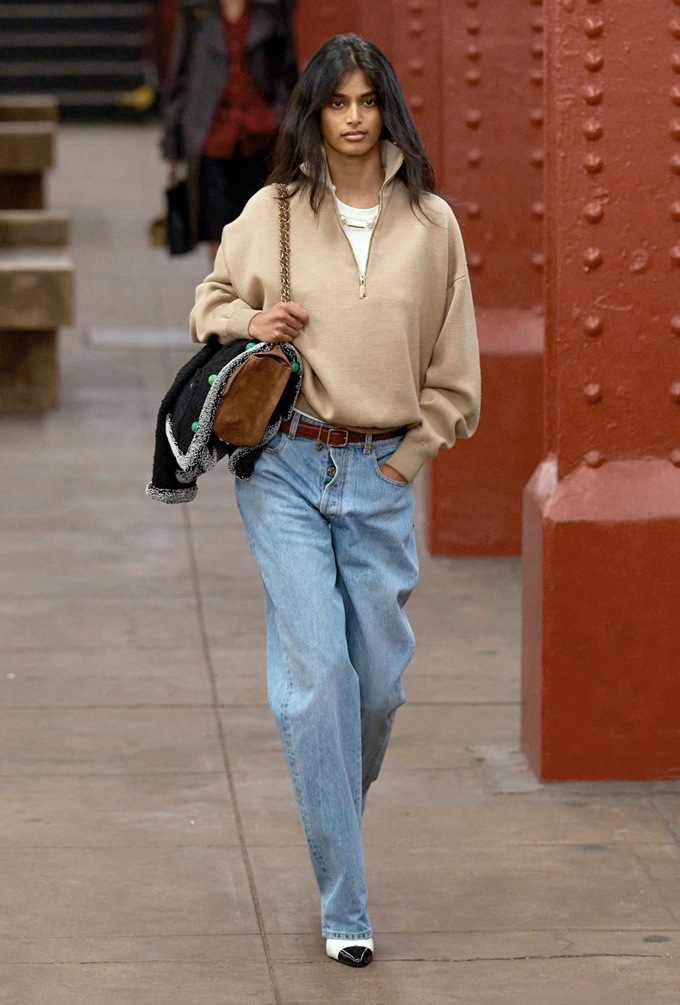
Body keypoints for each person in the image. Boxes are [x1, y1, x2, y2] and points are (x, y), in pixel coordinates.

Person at [189, 34, 481, 967]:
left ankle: (328, 811)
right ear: (314, 112)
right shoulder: (274, 209)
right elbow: (209, 300)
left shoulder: (431, 223)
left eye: (367, 101)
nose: (353, 119)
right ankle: (345, 906)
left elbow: (456, 370)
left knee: (378, 688)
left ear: (386, 109)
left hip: (378, 476)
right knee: (318, 680)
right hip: (284, 466)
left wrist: (409, 458)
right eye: (336, 103)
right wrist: (250, 318)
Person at [162, 0, 297, 258]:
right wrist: (172, 143)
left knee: (259, 229)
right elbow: (180, 75)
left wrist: (278, 117)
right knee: (216, 230)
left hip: (261, 136)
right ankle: (222, 284)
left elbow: (287, 74)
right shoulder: (195, 11)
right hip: (210, 133)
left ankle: (249, 283)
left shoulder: (272, 9)